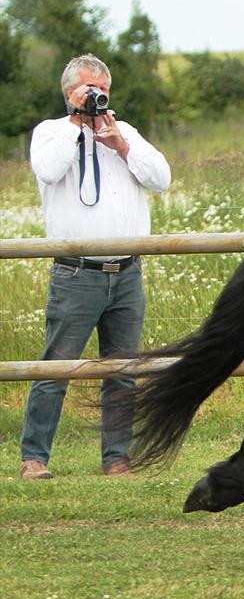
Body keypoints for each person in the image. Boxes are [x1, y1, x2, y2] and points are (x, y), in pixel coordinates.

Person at [19, 54, 171, 480]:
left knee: (123, 370)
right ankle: (35, 458)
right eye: (88, 88)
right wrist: (76, 124)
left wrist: (121, 144)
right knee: (56, 367)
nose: (96, 96)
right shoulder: (50, 133)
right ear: (69, 92)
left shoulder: (126, 134)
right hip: (76, 272)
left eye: (101, 88)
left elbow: (161, 178)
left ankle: (116, 458)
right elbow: (48, 171)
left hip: (126, 272)